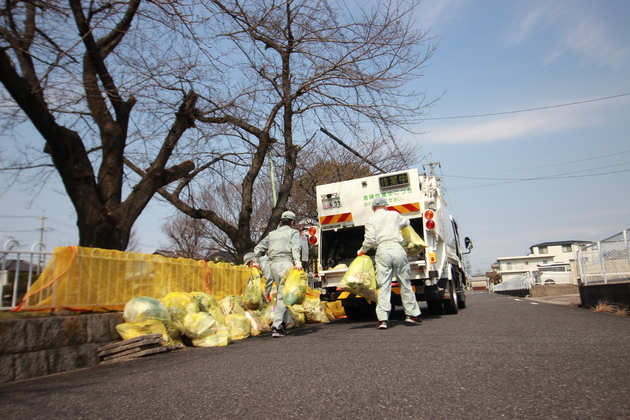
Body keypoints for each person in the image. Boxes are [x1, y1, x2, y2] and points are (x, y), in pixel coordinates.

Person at [358, 197, 421, 329]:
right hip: (397, 248)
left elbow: (369, 240)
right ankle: (411, 315)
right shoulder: (394, 214)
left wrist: (362, 251)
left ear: (372, 208)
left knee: (384, 285)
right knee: (405, 283)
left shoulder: (371, 220)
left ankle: (383, 320)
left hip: (382, 250)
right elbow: (406, 222)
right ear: (386, 206)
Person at [253, 210, 303, 337]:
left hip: (274, 265)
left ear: (281, 222)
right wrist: (297, 261)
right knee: (282, 294)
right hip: (286, 264)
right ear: (292, 222)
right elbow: (295, 247)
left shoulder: (272, 234)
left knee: (284, 294)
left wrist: (256, 261)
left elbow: (258, 248)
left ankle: (283, 325)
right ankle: (277, 326)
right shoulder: (293, 232)